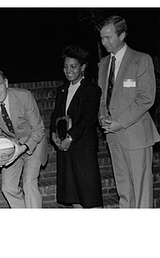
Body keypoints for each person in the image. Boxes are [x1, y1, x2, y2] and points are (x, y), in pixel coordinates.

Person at [98, 15, 160, 208]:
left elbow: (146, 98)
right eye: (101, 37)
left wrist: (120, 122)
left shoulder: (141, 60)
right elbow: (102, 96)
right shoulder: (104, 63)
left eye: (108, 37)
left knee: (141, 190)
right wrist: (102, 116)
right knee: (123, 188)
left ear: (122, 35)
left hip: (135, 135)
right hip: (113, 136)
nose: (103, 42)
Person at [0, 69, 47, 208]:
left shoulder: (24, 96)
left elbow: (38, 129)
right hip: (11, 146)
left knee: (29, 183)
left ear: (6, 83)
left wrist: (23, 148)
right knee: (8, 188)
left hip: (33, 142)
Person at [50, 45, 103, 208]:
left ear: (83, 67)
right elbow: (55, 115)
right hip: (65, 149)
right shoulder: (62, 90)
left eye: (73, 66)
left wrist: (70, 138)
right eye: (65, 67)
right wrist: (54, 135)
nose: (68, 71)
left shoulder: (92, 90)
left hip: (82, 147)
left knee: (89, 195)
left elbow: (88, 119)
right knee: (73, 195)